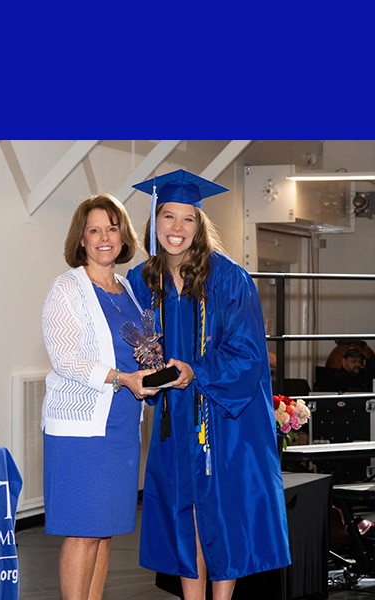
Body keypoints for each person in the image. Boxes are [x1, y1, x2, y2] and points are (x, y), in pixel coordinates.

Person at [127, 169, 291, 600]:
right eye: (167, 217)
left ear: (200, 225)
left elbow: (249, 355)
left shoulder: (229, 278)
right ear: (154, 220)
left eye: (187, 219)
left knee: (218, 515)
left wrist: (195, 370)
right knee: (183, 514)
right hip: (172, 417)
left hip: (222, 416)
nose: (176, 228)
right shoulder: (143, 282)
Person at [41, 194, 159, 600]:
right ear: (82, 239)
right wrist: (122, 378)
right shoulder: (67, 288)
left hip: (122, 424)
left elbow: (141, 348)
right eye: (95, 230)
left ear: (123, 236)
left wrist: (160, 372)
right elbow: (65, 358)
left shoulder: (127, 288)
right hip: (81, 428)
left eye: (112, 228)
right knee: (83, 531)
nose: (104, 237)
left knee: (104, 531)